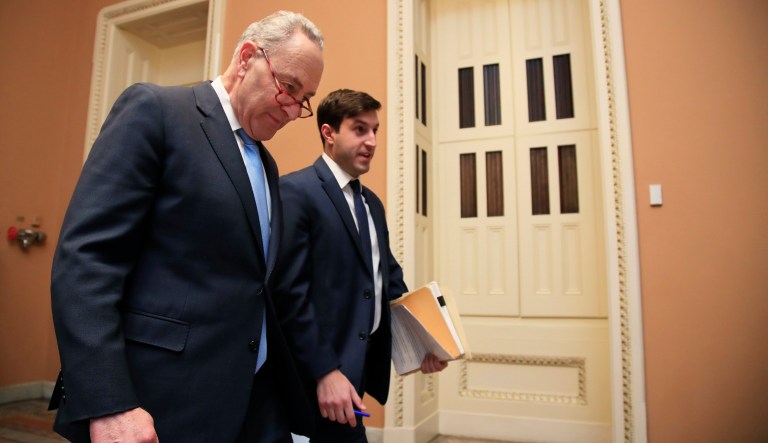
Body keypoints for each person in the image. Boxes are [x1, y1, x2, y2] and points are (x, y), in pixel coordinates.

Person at [49, 10, 324, 443]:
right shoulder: (157, 111)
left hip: (244, 402)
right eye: (288, 87)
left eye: (303, 98)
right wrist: (108, 401)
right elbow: (86, 262)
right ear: (247, 56)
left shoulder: (267, 165)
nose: (293, 109)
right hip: (158, 403)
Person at [274, 89, 448, 443]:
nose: (371, 141)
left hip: (356, 375)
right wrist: (325, 371)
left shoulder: (373, 204)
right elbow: (289, 294)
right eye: (359, 129)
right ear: (328, 133)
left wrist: (426, 342)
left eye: (375, 131)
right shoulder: (295, 192)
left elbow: (389, 282)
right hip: (314, 381)